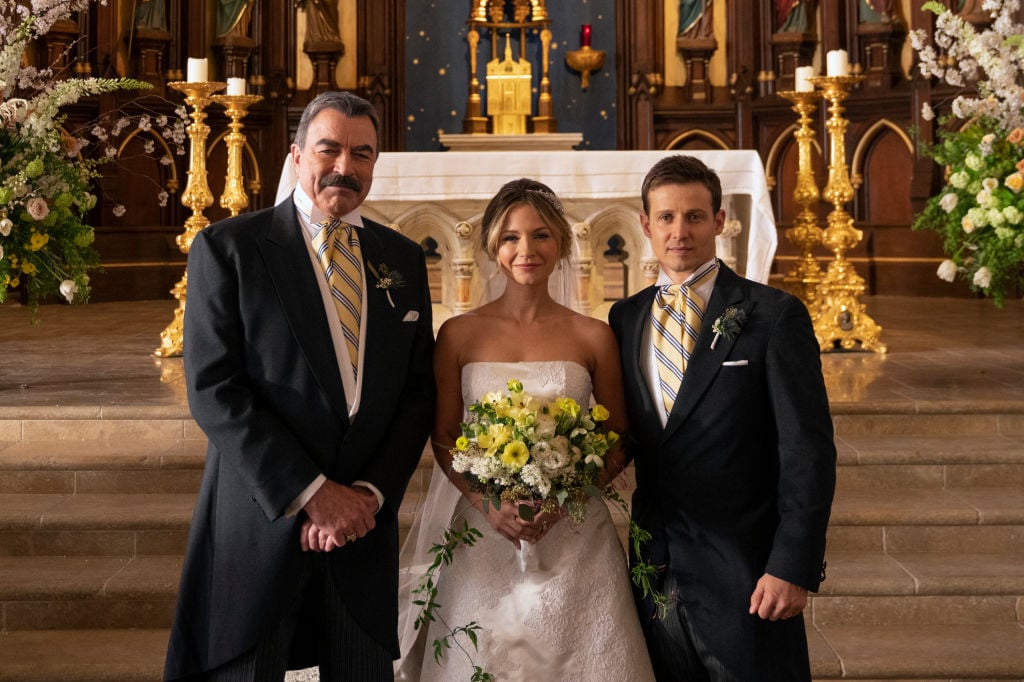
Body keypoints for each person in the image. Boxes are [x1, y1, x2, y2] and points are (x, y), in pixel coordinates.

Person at [163, 91, 436, 681]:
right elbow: (215, 388)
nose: (345, 165)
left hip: (362, 531)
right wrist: (312, 492)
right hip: (263, 519)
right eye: (329, 148)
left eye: (362, 153)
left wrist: (366, 495)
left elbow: (417, 394)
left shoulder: (402, 259)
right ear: (295, 154)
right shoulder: (231, 248)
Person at [395, 178, 656, 681]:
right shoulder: (458, 334)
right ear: (493, 246)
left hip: (576, 534)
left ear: (560, 243)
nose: (526, 250)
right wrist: (485, 503)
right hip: (486, 530)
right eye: (511, 237)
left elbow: (621, 437)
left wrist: (569, 495)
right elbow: (446, 436)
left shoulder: (594, 335)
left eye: (540, 235)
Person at [608, 155, 835, 681]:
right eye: (665, 217)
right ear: (645, 225)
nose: (679, 231)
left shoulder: (773, 315)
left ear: (720, 220)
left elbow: (808, 453)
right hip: (655, 570)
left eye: (693, 216)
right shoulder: (625, 317)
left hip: (748, 572)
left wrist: (790, 565)